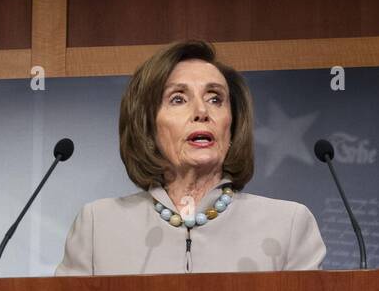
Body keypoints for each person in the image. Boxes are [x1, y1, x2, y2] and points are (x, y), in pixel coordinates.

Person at [56, 39, 326, 275]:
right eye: (178, 99)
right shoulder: (98, 226)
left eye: (215, 99)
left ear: (232, 124)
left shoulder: (288, 224)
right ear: (148, 125)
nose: (201, 111)